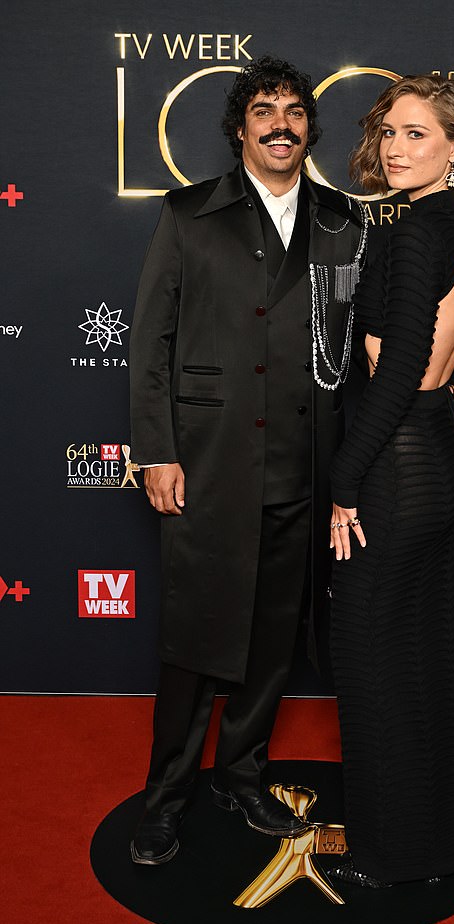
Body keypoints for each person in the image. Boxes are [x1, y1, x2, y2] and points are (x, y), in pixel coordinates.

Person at [128, 55, 367, 865]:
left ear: (309, 127)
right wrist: (156, 450)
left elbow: (354, 345)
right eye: (265, 109)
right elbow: (149, 342)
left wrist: (436, 387)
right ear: (239, 128)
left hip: (304, 466)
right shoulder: (189, 214)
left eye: (295, 111)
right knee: (196, 642)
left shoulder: (342, 220)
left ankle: (241, 772)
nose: (281, 123)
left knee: (270, 642)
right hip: (209, 462)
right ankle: (165, 796)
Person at [327, 75, 454, 887]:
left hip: (396, 463)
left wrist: (344, 483)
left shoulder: (411, 232)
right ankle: (439, 845)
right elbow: (432, 367)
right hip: (442, 453)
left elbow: (394, 376)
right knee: (430, 651)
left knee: (370, 660)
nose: (397, 148)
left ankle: (391, 857)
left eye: (419, 134)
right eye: (389, 132)